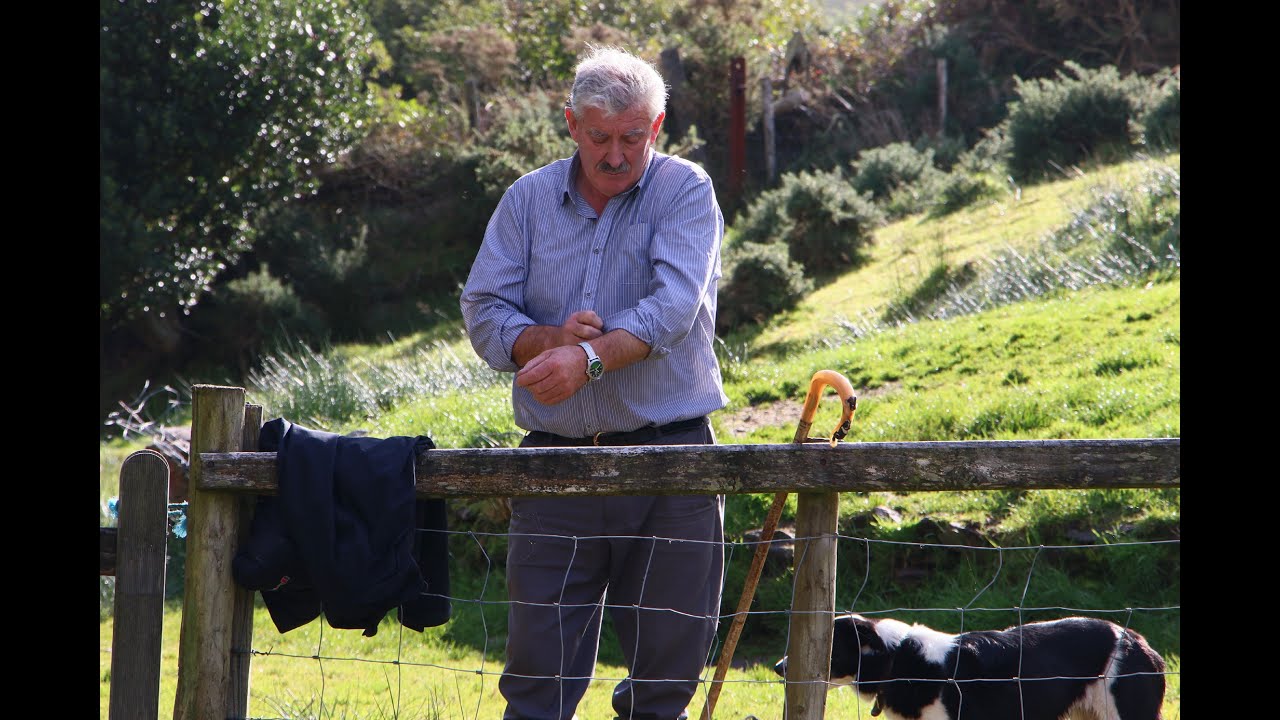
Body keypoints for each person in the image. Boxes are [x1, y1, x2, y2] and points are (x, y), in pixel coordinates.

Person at [460, 45, 729, 720]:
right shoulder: (525, 201)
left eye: (633, 138)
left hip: (671, 464)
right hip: (554, 467)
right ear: (572, 125)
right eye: (601, 138)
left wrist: (590, 359)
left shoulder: (685, 191)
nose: (616, 155)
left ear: (657, 126)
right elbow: (485, 308)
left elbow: (675, 308)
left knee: (664, 686)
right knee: (537, 683)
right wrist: (546, 341)